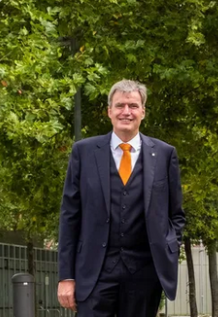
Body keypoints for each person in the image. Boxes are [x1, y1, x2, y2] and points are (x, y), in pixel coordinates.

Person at [57, 80, 186, 317]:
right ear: (109, 111)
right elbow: (69, 216)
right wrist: (66, 276)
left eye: (133, 106)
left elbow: (175, 214)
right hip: (94, 273)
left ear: (143, 112)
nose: (126, 112)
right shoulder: (83, 152)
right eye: (120, 105)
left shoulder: (165, 154)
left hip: (145, 273)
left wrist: (169, 246)